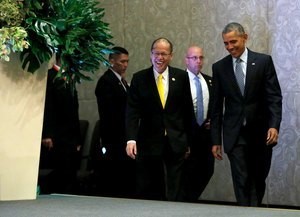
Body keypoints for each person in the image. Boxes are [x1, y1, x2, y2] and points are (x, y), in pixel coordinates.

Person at [211, 22, 282, 206]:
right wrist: (215, 140)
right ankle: (245, 212)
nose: (229, 47)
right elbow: (216, 107)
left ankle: (255, 209)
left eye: (233, 41)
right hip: (235, 134)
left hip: (261, 132)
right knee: (241, 179)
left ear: (245, 37)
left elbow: (274, 97)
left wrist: (274, 125)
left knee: (258, 178)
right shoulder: (219, 67)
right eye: (225, 43)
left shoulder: (263, 61)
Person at [125, 37, 194, 201]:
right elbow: (132, 112)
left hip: (175, 140)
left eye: (164, 54)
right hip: (148, 141)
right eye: (156, 53)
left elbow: (187, 111)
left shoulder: (181, 77)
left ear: (171, 56)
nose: (159, 58)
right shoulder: (139, 78)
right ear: (150, 54)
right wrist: (131, 140)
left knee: (175, 187)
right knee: (149, 187)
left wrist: (188, 141)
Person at [95, 46, 135, 198]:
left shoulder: (122, 82)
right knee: (114, 173)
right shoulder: (106, 82)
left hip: (123, 136)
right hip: (113, 137)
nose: (125, 65)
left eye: (127, 62)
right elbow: (110, 114)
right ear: (111, 61)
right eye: (121, 62)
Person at [39, 54, 82, 194]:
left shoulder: (70, 77)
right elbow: (48, 106)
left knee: (70, 169)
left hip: (70, 133)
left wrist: (77, 137)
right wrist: (47, 134)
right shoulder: (50, 76)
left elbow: (74, 109)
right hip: (56, 132)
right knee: (59, 168)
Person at [183, 46, 214, 202]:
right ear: (186, 60)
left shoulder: (209, 81)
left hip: (205, 136)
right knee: (187, 173)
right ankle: (185, 203)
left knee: (207, 169)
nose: (198, 61)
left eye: (201, 57)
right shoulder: (179, 80)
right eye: (194, 58)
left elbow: (215, 107)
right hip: (187, 136)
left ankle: (192, 200)